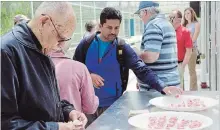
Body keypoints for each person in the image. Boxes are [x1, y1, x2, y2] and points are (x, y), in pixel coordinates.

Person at [73, 7, 183, 122]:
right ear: (100, 26)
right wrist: (89, 76)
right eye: (109, 27)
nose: (113, 32)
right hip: (88, 106)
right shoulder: (86, 44)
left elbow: (141, 69)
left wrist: (163, 86)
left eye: (117, 28)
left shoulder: (122, 47)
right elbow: (75, 69)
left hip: (113, 106)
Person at [1, 2, 87, 130]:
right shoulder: (6, 52)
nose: (60, 46)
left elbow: (47, 101)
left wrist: (69, 111)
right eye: (60, 38)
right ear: (44, 22)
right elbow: (5, 124)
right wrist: (56, 128)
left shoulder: (41, 47)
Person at [134, 1, 181, 91]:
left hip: (158, 87)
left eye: (140, 14)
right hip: (170, 82)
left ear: (145, 12)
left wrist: (136, 54)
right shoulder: (166, 24)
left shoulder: (153, 26)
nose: (141, 18)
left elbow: (151, 57)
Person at [49, 41, 99, 114]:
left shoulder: (32, 65)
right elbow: (90, 108)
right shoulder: (79, 68)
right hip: (73, 122)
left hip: (42, 124)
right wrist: (96, 99)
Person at [169, 10, 193, 89]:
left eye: (171, 17)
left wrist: (182, 66)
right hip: (167, 65)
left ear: (178, 19)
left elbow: (189, 51)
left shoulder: (185, 31)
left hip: (178, 64)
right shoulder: (167, 30)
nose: (169, 19)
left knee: (179, 87)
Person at [183, 7, 201, 91]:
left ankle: (193, 90)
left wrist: (187, 45)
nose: (186, 15)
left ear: (192, 14)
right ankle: (181, 89)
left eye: (188, 13)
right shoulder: (184, 25)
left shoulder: (196, 24)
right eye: (185, 13)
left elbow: (194, 37)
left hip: (192, 49)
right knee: (181, 70)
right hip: (183, 50)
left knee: (191, 71)